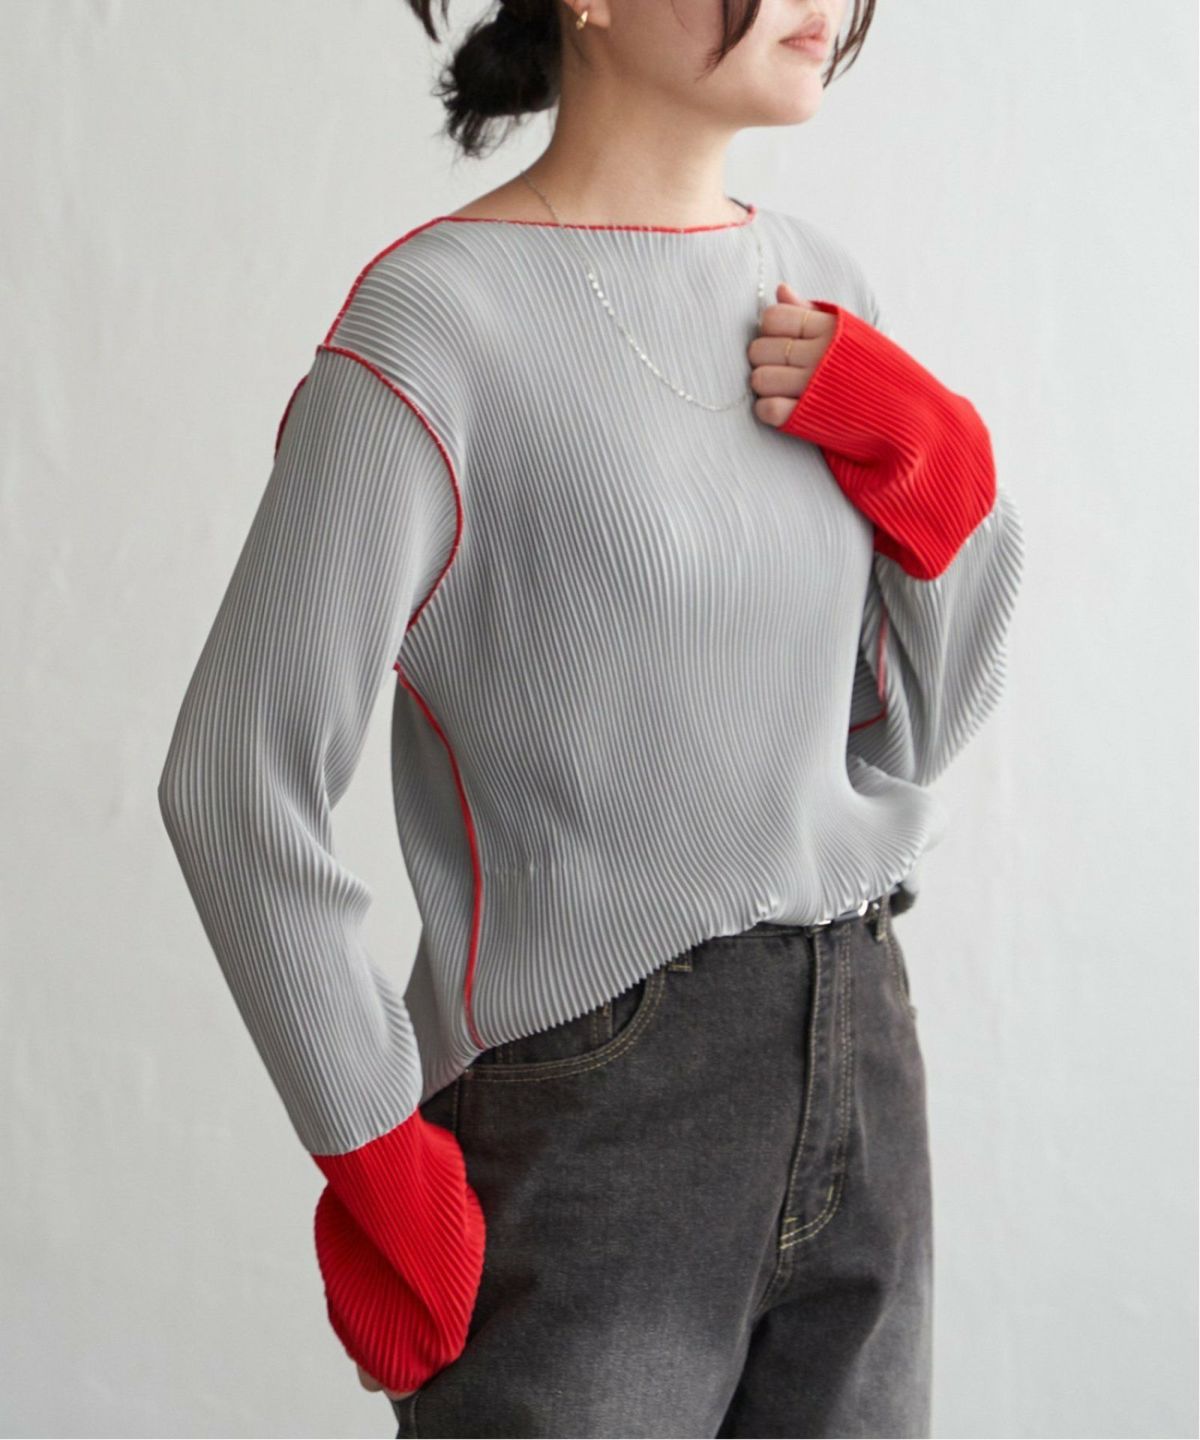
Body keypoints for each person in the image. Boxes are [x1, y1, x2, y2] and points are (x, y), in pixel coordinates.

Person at [157, 0, 1024, 1434]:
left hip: (862, 1046)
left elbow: (914, 730)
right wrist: (370, 1143)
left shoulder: (822, 290)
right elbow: (232, 780)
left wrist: (949, 486)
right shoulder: (439, 324)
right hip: (597, 1104)